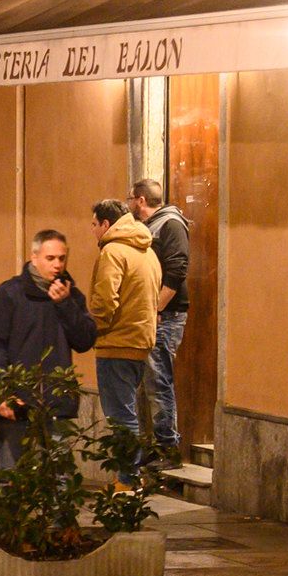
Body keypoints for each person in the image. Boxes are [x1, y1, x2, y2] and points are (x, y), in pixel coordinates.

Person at [0, 230, 98, 470]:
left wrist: (65, 305)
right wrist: (3, 392)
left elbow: (85, 340)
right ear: (34, 257)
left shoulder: (71, 295)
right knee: (12, 476)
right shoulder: (10, 294)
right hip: (19, 403)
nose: (57, 264)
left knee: (61, 479)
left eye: (62, 258)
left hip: (57, 402)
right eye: (50, 258)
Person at [86, 198, 163, 440]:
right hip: (140, 342)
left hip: (116, 343)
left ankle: (129, 476)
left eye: (94, 224)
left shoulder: (113, 251)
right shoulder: (147, 251)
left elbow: (105, 300)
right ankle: (130, 474)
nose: (93, 230)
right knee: (127, 412)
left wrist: (92, 330)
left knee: (120, 416)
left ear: (106, 224)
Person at [129, 179, 190, 454]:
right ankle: (153, 444)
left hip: (166, 315)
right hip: (152, 315)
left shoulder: (171, 224)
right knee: (150, 381)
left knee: (158, 379)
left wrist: (156, 309)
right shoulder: (148, 227)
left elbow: (177, 270)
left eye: (131, 198)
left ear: (141, 200)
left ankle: (167, 447)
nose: (129, 204)